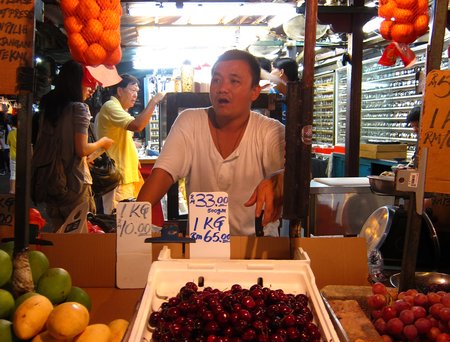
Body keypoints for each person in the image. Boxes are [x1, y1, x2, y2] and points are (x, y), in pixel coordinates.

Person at [137, 49, 285, 236]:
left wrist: (279, 179)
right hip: (201, 250)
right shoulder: (189, 122)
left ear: (255, 91)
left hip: (256, 249)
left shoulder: (269, 131)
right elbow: (163, 173)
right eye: (217, 80)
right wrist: (133, 219)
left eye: (234, 81)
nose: (222, 88)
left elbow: (294, 175)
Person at [31, 60, 114, 231]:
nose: (91, 89)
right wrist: (102, 143)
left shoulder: (48, 108)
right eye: (87, 83)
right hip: (74, 184)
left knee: (59, 234)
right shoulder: (79, 109)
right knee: (80, 236)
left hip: (51, 181)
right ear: (76, 83)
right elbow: (81, 148)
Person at [95, 74, 165, 214]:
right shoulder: (110, 106)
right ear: (120, 91)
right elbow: (137, 125)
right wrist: (154, 101)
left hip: (126, 176)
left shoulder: (120, 110)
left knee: (130, 222)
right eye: (132, 90)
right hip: (118, 179)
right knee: (119, 224)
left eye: (137, 92)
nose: (135, 95)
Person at [6, 114, 17, 194]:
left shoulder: (11, 132)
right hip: (23, 156)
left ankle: (12, 190)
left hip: (13, 155)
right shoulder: (24, 132)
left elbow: (8, 143)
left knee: (13, 173)